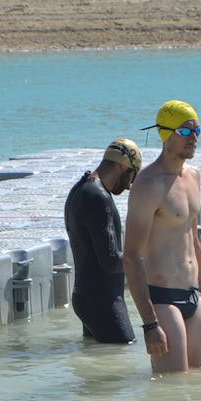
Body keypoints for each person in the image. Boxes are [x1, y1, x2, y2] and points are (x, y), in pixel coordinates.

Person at [123, 100, 201, 373]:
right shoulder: (147, 184)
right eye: (184, 131)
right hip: (162, 298)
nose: (193, 138)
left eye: (197, 131)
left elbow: (193, 242)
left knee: (195, 383)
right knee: (173, 388)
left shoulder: (194, 176)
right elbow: (132, 256)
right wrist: (149, 324)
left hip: (193, 295)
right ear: (165, 134)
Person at [64, 139, 143, 343]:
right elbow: (110, 261)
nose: (130, 185)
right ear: (123, 166)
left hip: (87, 297)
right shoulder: (99, 198)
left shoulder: (81, 189)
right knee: (123, 351)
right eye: (132, 176)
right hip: (103, 302)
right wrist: (142, 258)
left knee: (99, 363)